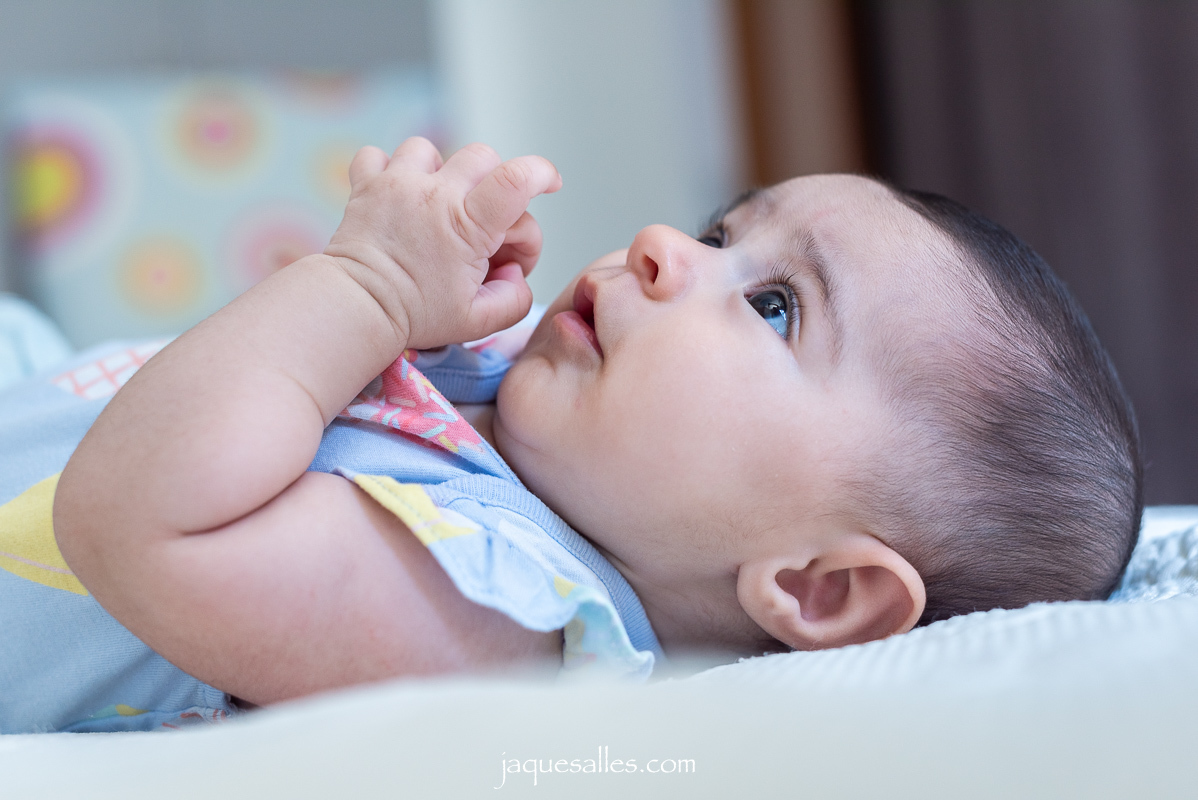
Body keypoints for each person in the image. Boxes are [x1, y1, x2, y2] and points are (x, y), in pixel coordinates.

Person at [0, 138, 1141, 732]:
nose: (660, 245)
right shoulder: (505, 410)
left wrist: (361, 286)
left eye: (775, 303)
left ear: (819, 589)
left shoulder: (498, 610)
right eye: (719, 231)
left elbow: (133, 521)